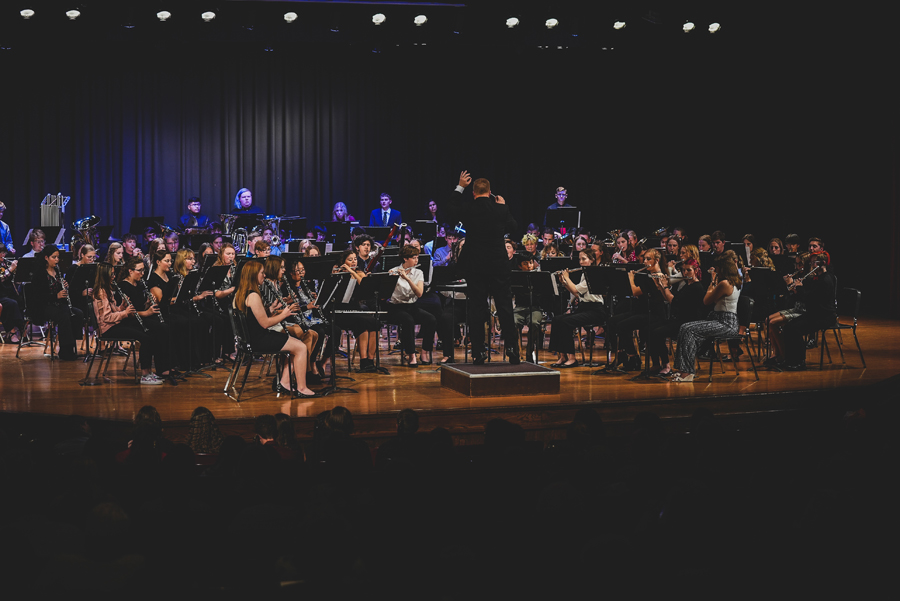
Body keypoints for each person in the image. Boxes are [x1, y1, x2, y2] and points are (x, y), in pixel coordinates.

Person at [445, 170, 519, 364]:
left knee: (477, 308)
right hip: (498, 265)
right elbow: (514, 228)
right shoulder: (500, 209)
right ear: (490, 192)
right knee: (504, 307)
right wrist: (504, 207)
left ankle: (478, 352)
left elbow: (450, 208)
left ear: (474, 193)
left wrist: (460, 186)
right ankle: (512, 350)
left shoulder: (469, 208)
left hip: (475, 265)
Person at [234, 261, 320, 397]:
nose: (264, 275)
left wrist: (271, 309)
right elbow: (265, 323)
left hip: (250, 338)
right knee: (301, 347)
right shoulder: (253, 295)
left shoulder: (240, 293)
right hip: (259, 339)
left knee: (296, 345)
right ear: (253, 275)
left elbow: (254, 317)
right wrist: (285, 314)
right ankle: (302, 388)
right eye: (261, 273)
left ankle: (284, 382)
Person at [93, 262, 173, 385]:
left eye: (114, 274)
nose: (114, 277)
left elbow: (114, 311)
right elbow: (106, 318)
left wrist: (122, 307)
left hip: (116, 323)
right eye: (111, 275)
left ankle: (150, 372)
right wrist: (125, 312)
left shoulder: (108, 290)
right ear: (104, 276)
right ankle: (145, 374)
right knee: (145, 338)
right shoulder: (100, 293)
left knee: (149, 333)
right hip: (108, 329)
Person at [669, 254, 743, 382]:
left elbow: (706, 300)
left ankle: (687, 372)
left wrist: (712, 283)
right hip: (720, 319)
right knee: (685, 327)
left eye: (717, 268)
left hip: (726, 323)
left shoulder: (725, 283)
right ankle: (683, 370)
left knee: (689, 329)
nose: (715, 270)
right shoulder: (734, 280)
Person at [116, 256, 179, 384]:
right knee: (156, 331)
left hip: (142, 316)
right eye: (140, 271)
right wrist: (146, 312)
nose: (142, 274)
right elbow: (128, 312)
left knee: (165, 325)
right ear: (130, 271)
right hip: (131, 320)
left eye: (143, 270)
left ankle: (165, 367)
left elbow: (141, 305)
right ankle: (154, 370)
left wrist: (148, 303)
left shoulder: (140, 284)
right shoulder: (123, 286)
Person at [548, 248, 606, 368]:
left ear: (592, 260)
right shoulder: (584, 274)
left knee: (566, 322)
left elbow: (575, 289)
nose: (581, 262)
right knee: (557, 319)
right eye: (580, 259)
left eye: (584, 259)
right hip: (584, 307)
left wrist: (567, 278)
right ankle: (562, 356)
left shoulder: (593, 273)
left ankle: (572, 358)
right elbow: (577, 294)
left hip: (595, 310)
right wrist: (564, 282)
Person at [647, 258, 705, 376]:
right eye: (683, 270)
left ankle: (666, 364)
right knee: (648, 329)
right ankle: (656, 364)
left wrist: (665, 287)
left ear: (696, 271)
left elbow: (673, 301)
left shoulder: (696, 287)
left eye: (689, 270)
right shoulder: (687, 285)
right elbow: (669, 299)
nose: (685, 273)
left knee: (656, 332)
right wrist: (660, 286)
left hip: (687, 322)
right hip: (678, 319)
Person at [778, 252, 835, 371]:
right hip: (815, 314)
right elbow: (807, 298)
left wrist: (799, 288)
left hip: (824, 316)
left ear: (823, 263)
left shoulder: (825, 280)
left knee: (794, 329)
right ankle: (790, 360)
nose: (812, 264)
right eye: (812, 262)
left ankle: (799, 362)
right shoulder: (818, 278)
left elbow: (810, 299)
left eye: (815, 262)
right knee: (788, 327)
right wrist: (796, 290)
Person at [29, 244, 84, 360]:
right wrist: (56, 296)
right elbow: (38, 297)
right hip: (43, 307)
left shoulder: (58, 270)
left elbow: (60, 292)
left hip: (58, 305)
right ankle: (64, 351)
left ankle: (71, 347)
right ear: (46, 258)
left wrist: (64, 287)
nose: (57, 260)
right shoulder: (40, 274)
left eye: (58, 257)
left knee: (77, 313)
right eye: (54, 257)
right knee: (64, 316)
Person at [386, 244, 436, 366]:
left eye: (417, 258)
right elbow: (386, 294)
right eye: (414, 258)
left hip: (411, 306)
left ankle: (424, 352)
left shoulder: (418, 273)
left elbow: (419, 293)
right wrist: (398, 276)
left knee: (431, 319)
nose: (416, 260)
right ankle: (411, 355)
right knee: (408, 321)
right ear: (405, 259)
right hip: (396, 307)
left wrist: (407, 278)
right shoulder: (392, 272)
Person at [332, 249, 380, 372]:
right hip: (340, 311)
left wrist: (352, 272)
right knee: (362, 322)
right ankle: (363, 361)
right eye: (350, 259)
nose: (353, 261)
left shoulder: (359, 272)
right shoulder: (339, 274)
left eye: (354, 259)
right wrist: (347, 271)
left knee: (375, 322)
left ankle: (370, 360)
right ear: (343, 262)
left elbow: (363, 284)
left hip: (355, 308)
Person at [0, 243, 24, 343]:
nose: (3, 255)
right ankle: (12, 331)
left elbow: (16, 281)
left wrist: (17, 272)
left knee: (21, 301)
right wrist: (10, 269)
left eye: (3, 252)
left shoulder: (4, 263)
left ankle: (22, 328)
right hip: (0, 295)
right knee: (10, 304)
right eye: (0, 253)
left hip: (8, 293)